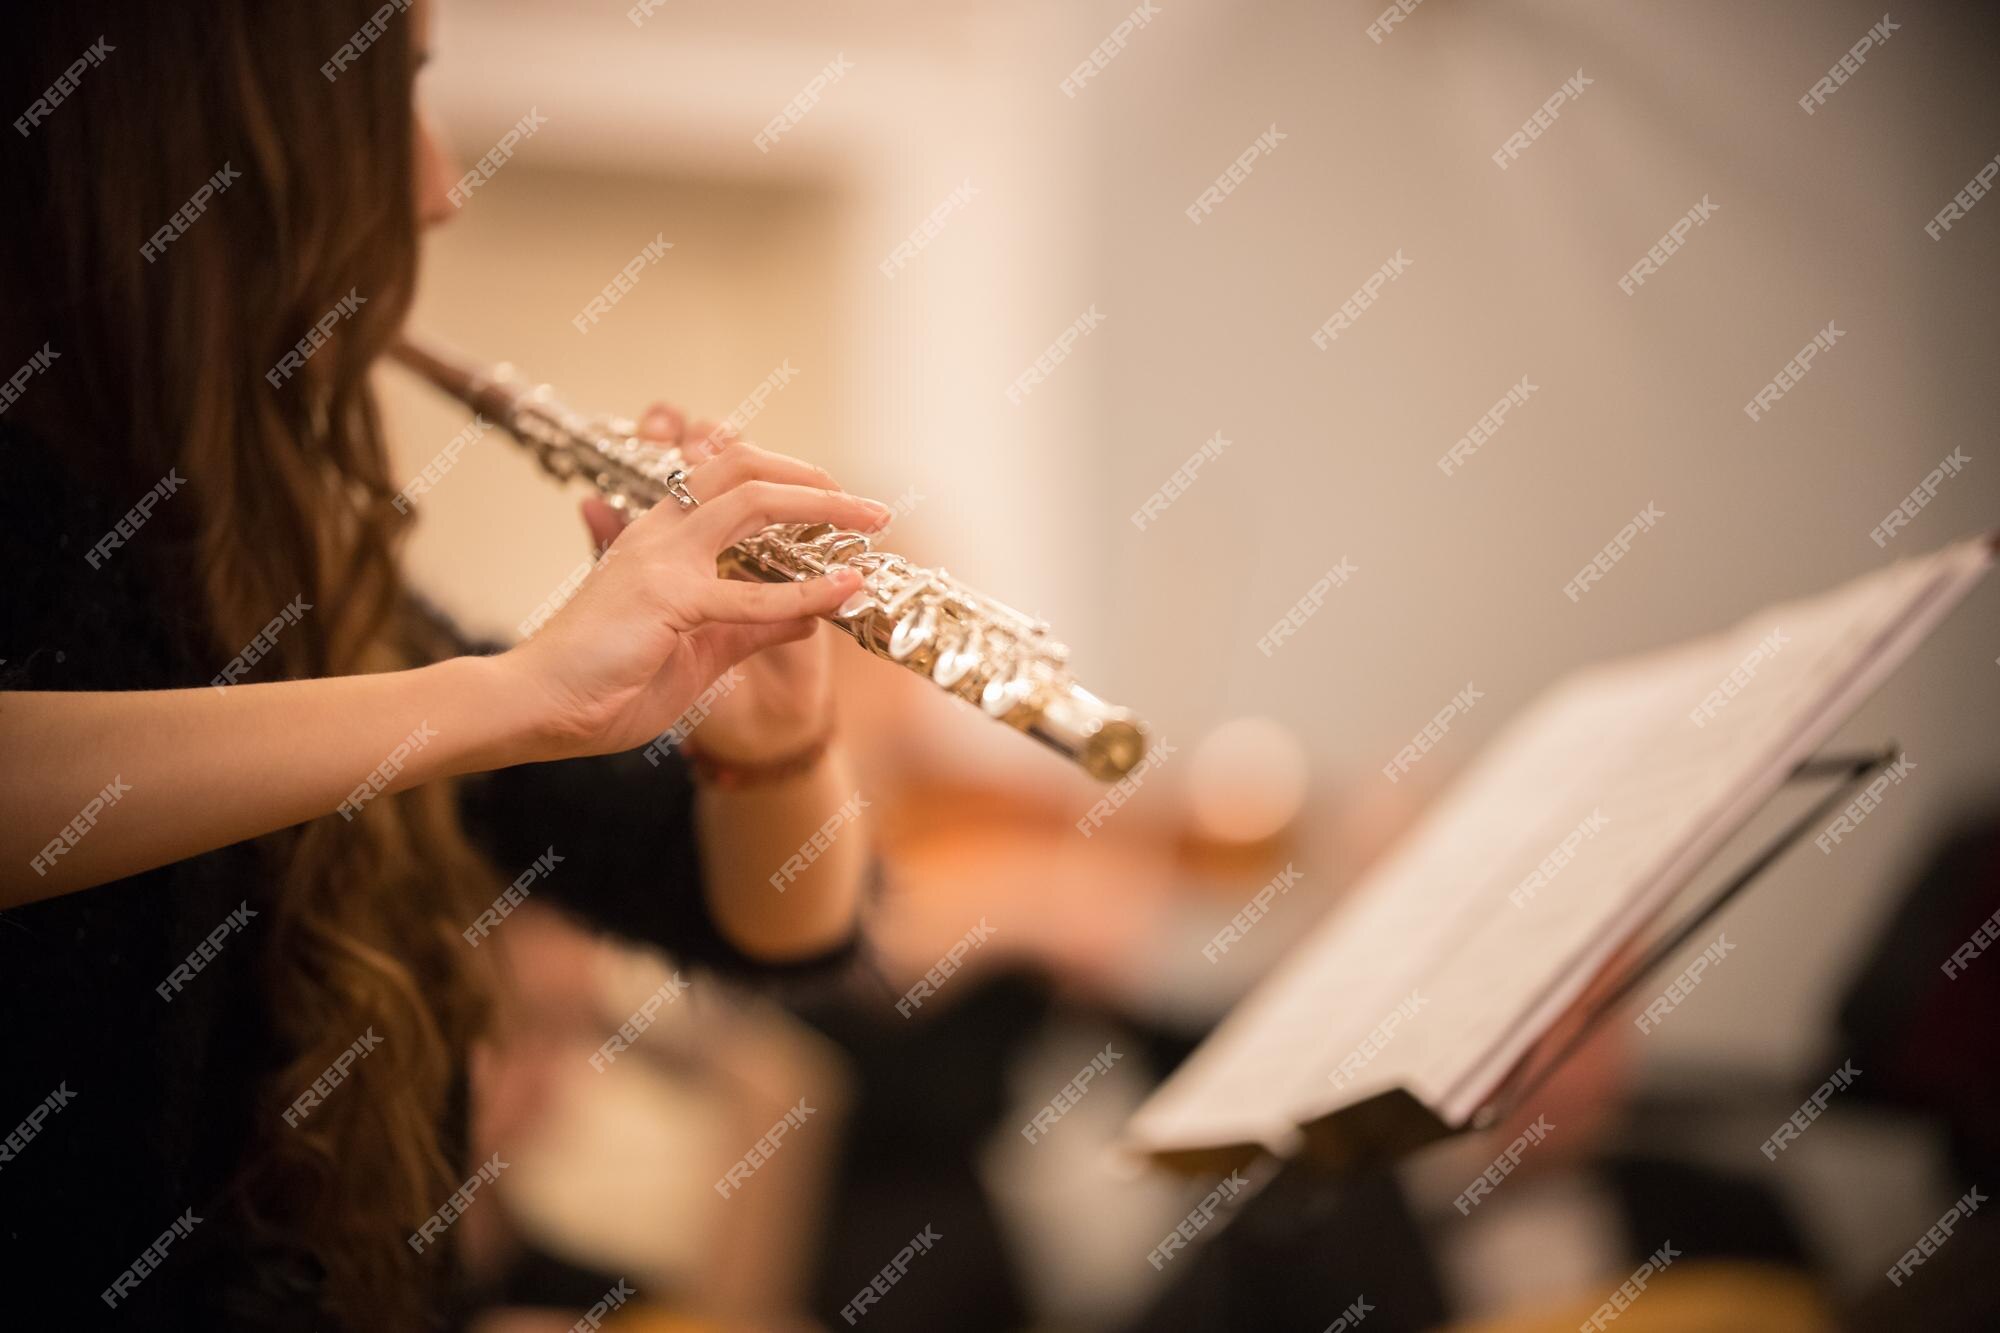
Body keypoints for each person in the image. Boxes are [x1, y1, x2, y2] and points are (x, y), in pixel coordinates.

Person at [0, 2, 887, 1326]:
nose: (441, 184)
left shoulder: (305, 582)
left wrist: (775, 735)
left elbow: (782, 921)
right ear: (214, 143)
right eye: (400, 92)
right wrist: (513, 695)